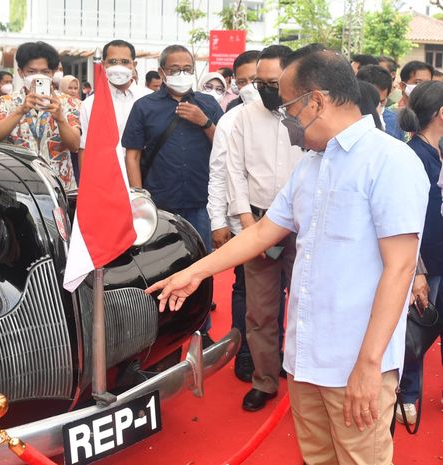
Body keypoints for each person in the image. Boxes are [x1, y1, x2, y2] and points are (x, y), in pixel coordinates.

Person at [148, 48, 428, 465]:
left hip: (355, 359)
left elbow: (400, 268)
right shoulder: (312, 165)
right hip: (305, 357)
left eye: (288, 105)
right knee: (316, 458)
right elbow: (264, 230)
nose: (285, 117)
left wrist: (369, 366)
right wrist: (195, 271)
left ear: (316, 100)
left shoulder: (391, 162)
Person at [122, 44, 223, 346]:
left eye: (187, 68)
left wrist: (203, 121)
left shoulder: (208, 103)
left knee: (201, 266)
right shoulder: (145, 107)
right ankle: (161, 329)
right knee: (160, 265)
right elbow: (132, 155)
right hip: (159, 203)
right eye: (175, 69)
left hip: (200, 200)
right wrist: (140, 197)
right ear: (163, 71)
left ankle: (200, 329)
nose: (182, 74)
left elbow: (226, 146)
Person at [225, 44, 303, 411]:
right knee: (259, 311)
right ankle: (265, 380)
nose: (263, 90)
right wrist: (246, 224)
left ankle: (306, 381)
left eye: (272, 83)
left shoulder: (307, 113)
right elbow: (234, 172)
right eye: (259, 82)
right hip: (258, 222)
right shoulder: (243, 116)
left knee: (306, 306)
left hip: (304, 228)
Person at [207, 50, 261, 382]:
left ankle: (275, 350)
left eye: (256, 80)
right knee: (244, 287)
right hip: (242, 221)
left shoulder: (293, 118)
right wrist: (217, 221)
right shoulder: (230, 120)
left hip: (285, 222)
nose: (250, 87)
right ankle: (244, 351)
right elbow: (218, 174)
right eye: (242, 81)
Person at [396, 80, 443, 425]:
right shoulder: (414, 156)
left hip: (438, 255)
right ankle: (407, 394)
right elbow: (409, 221)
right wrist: (418, 271)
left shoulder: (434, 149)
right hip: (426, 260)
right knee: (418, 328)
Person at [0, 41, 81, 191]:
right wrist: (20, 111)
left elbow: (75, 145)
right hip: (18, 185)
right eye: (32, 72)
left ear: (54, 73)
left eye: (45, 72)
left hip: (61, 187)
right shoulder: (5, 102)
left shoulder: (69, 103)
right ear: (21, 72)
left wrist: (60, 118)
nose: (38, 76)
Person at [79, 39, 151, 185]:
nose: (119, 67)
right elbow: (85, 150)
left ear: (134, 65)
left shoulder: (149, 99)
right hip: (105, 181)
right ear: (104, 64)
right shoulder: (90, 104)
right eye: (112, 62)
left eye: (125, 62)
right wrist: (87, 185)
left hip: (147, 177)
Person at [356, 64, 405, 140]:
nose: (377, 108)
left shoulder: (395, 121)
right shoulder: (348, 121)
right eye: (372, 101)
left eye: (381, 101)